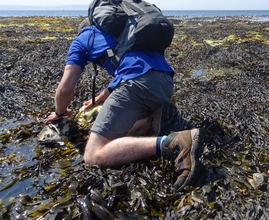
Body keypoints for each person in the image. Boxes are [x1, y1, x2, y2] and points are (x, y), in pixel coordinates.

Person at [44, 17, 200, 191]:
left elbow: (65, 89)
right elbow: (128, 70)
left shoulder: (82, 39)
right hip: (165, 82)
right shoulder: (123, 33)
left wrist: (59, 113)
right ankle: (151, 120)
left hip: (137, 84)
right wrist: (99, 99)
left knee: (93, 154)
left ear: (81, 31)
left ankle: (173, 143)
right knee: (121, 135)